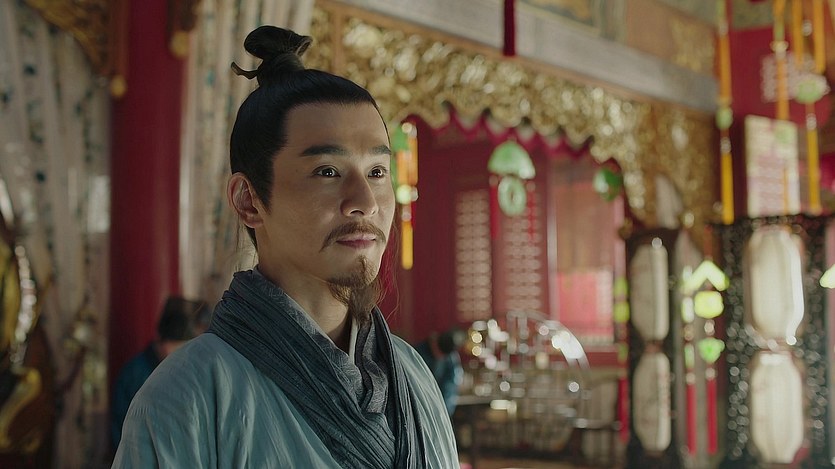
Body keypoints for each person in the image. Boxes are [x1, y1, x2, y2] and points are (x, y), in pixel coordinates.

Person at [113, 26, 458, 468]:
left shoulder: (411, 373)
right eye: (327, 171)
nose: (366, 202)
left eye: (376, 172)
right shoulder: (188, 394)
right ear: (249, 200)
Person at [110, 296, 207, 450]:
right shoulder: (134, 373)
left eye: (182, 347)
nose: (177, 353)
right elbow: (120, 425)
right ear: (161, 341)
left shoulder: (187, 371)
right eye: (173, 345)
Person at [415, 328, 466, 416]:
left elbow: (450, 388)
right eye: (436, 350)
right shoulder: (417, 353)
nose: (438, 356)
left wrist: (442, 413)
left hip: (434, 407)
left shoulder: (450, 359)